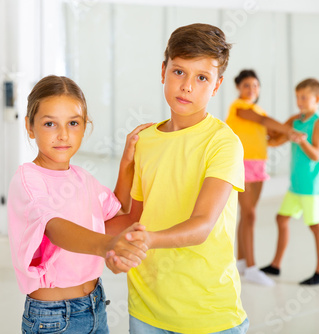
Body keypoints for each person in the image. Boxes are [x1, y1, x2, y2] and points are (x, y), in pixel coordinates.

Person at [106, 23, 247, 333]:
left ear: (217, 85)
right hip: (146, 309)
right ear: (163, 70)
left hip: (209, 314)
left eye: (202, 78)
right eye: (179, 72)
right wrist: (113, 247)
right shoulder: (146, 140)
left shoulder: (223, 143)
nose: (187, 87)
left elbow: (201, 226)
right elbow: (136, 218)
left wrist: (147, 241)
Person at [7, 75, 150, 333]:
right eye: (50, 123)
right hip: (53, 318)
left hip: (95, 304)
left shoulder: (83, 177)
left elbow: (120, 215)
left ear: (85, 126)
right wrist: (107, 246)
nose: (63, 135)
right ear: (29, 126)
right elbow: (53, 227)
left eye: (73, 123)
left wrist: (128, 162)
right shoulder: (28, 178)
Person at [226, 69, 303, 286]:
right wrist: (288, 130)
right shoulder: (240, 107)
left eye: (255, 85)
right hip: (242, 165)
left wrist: (291, 126)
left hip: (258, 166)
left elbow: (272, 138)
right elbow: (264, 120)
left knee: (248, 215)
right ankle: (251, 267)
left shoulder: (258, 110)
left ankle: (241, 262)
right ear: (238, 88)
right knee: (250, 215)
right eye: (246, 85)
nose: (251, 89)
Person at [261, 78, 319, 285]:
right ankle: (276, 265)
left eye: (304, 97)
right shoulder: (295, 120)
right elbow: (276, 140)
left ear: (316, 98)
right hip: (295, 186)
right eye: (297, 97)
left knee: (316, 227)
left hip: (311, 187)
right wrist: (256, 136)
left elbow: (316, 155)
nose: (299, 101)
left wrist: (301, 140)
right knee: (281, 219)